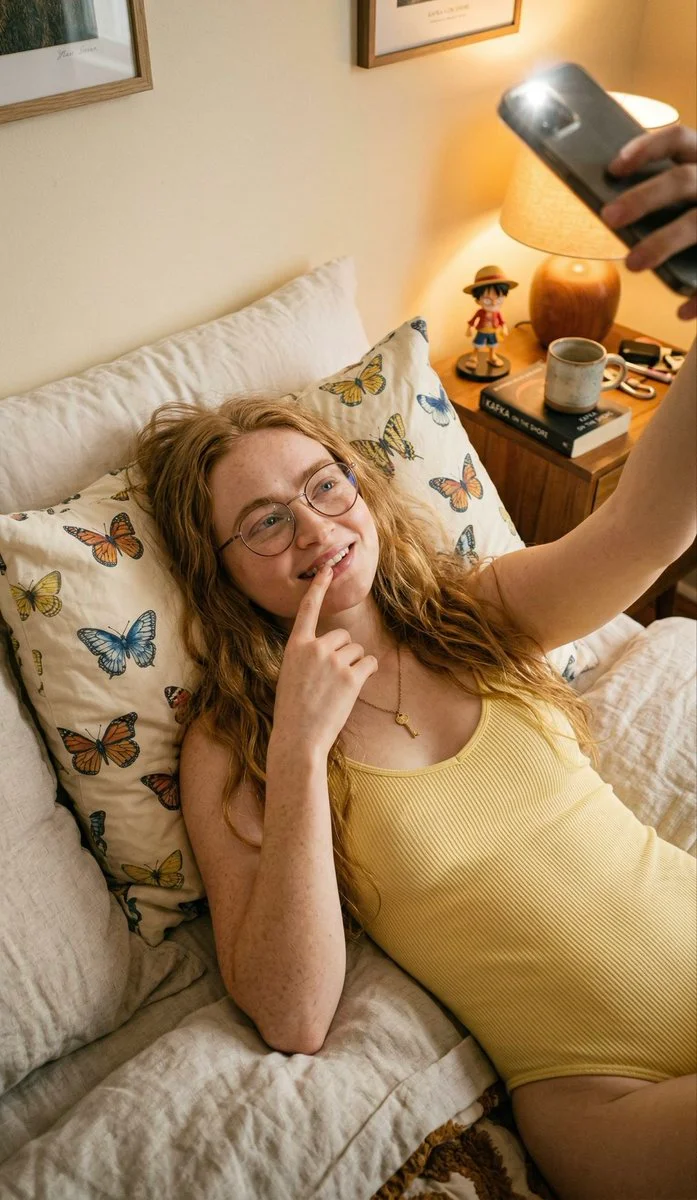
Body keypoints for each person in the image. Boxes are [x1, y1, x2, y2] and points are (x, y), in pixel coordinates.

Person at [132, 124, 697, 1200]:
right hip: (604, 1094)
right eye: (263, 522)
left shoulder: (468, 613)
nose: (314, 531)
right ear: (221, 574)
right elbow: (291, 1012)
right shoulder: (231, 745)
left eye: (324, 486)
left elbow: (649, 529)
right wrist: (297, 750)